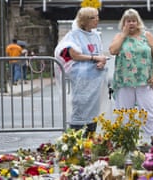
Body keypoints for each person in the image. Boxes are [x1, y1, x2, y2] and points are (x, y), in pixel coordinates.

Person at [109, 8, 153, 146]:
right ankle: (126, 139)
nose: (131, 23)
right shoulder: (119, 37)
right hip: (124, 81)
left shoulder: (146, 35)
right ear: (124, 23)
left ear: (138, 22)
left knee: (149, 110)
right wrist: (124, 34)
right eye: (128, 21)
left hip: (145, 80)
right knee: (124, 111)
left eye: (134, 21)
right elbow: (113, 51)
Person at [54, 7, 108, 137]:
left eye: (97, 16)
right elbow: (75, 55)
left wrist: (102, 61)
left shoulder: (95, 35)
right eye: (93, 17)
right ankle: (75, 140)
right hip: (81, 78)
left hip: (96, 78)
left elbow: (99, 53)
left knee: (94, 110)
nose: (97, 19)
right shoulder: (74, 35)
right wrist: (95, 58)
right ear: (84, 20)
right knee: (81, 107)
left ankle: (90, 139)